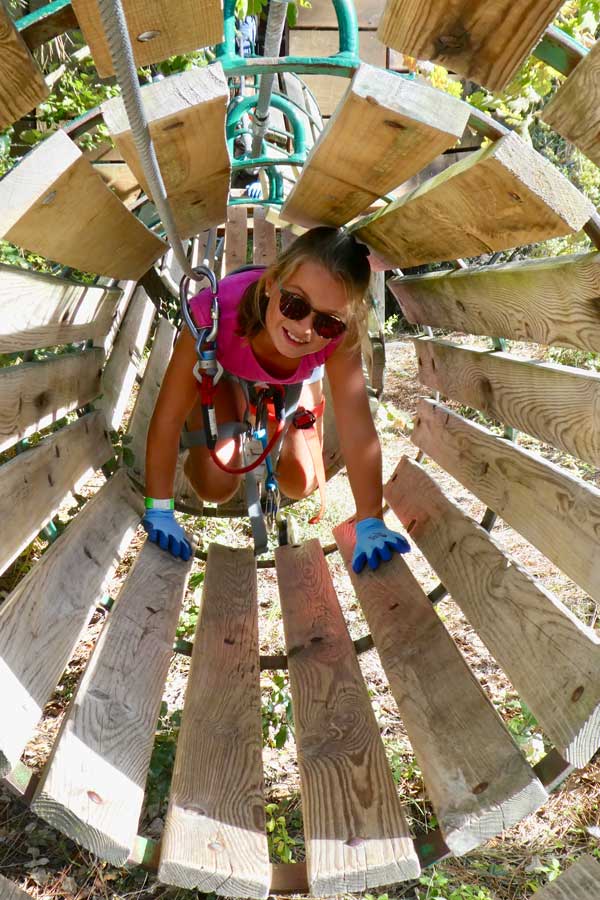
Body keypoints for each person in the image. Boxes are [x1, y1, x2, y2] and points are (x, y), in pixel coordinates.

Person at [142, 226, 410, 573]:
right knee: (215, 486)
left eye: (327, 323)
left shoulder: (341, 338)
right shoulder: (212, 317)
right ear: (271, 284)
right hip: (221, 372)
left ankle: (286, 399)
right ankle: (237, 403)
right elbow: (167, 417)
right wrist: (159, 509)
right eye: (294, 304)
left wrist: (370, 521)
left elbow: (358, 428)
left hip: (295, 379)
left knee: (300, 483)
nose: (306, 328)